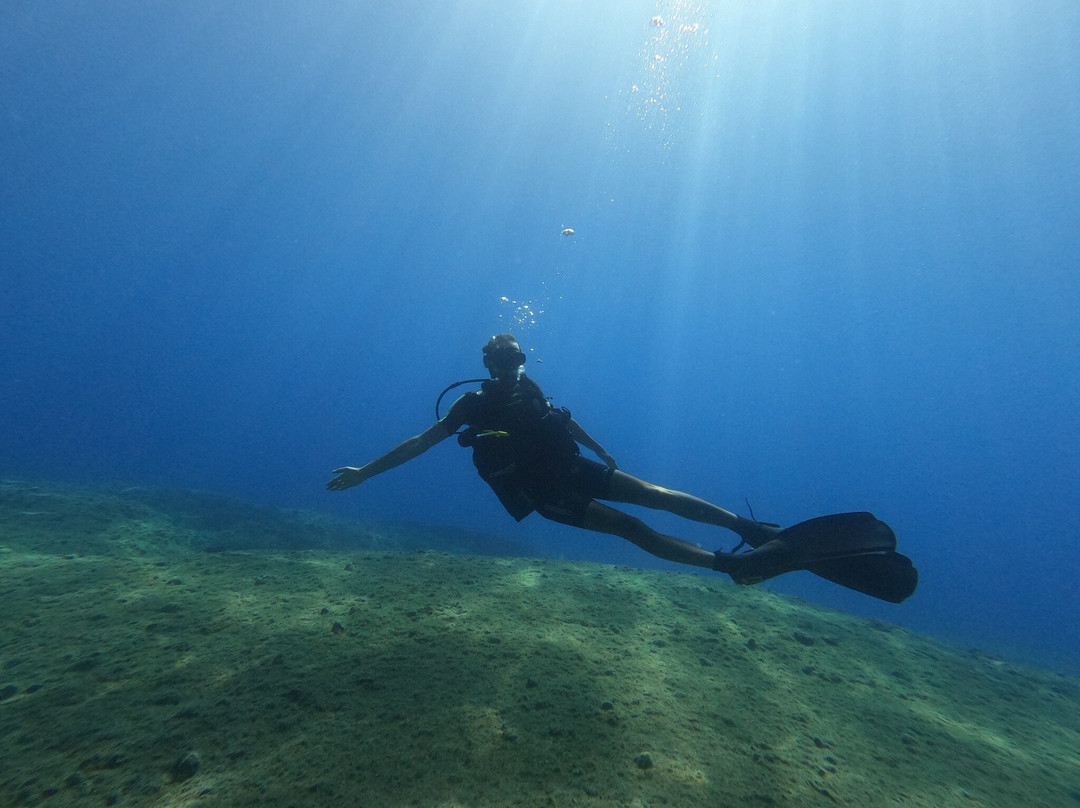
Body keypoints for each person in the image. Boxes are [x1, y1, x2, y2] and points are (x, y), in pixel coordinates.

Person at [327, 334, 917, 602]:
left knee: (656, 494)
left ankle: (748, 530)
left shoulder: (532, 389)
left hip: (576, 467)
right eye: (500, 359)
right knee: (635, 528)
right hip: (544, 491)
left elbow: (565, 419)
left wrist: (602, 449)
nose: (509, 365)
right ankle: (729, 567)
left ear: (521, 359)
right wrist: (365, 472)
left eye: (514, 357)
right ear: (486, 363)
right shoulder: (472, 403)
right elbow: (421, 441)